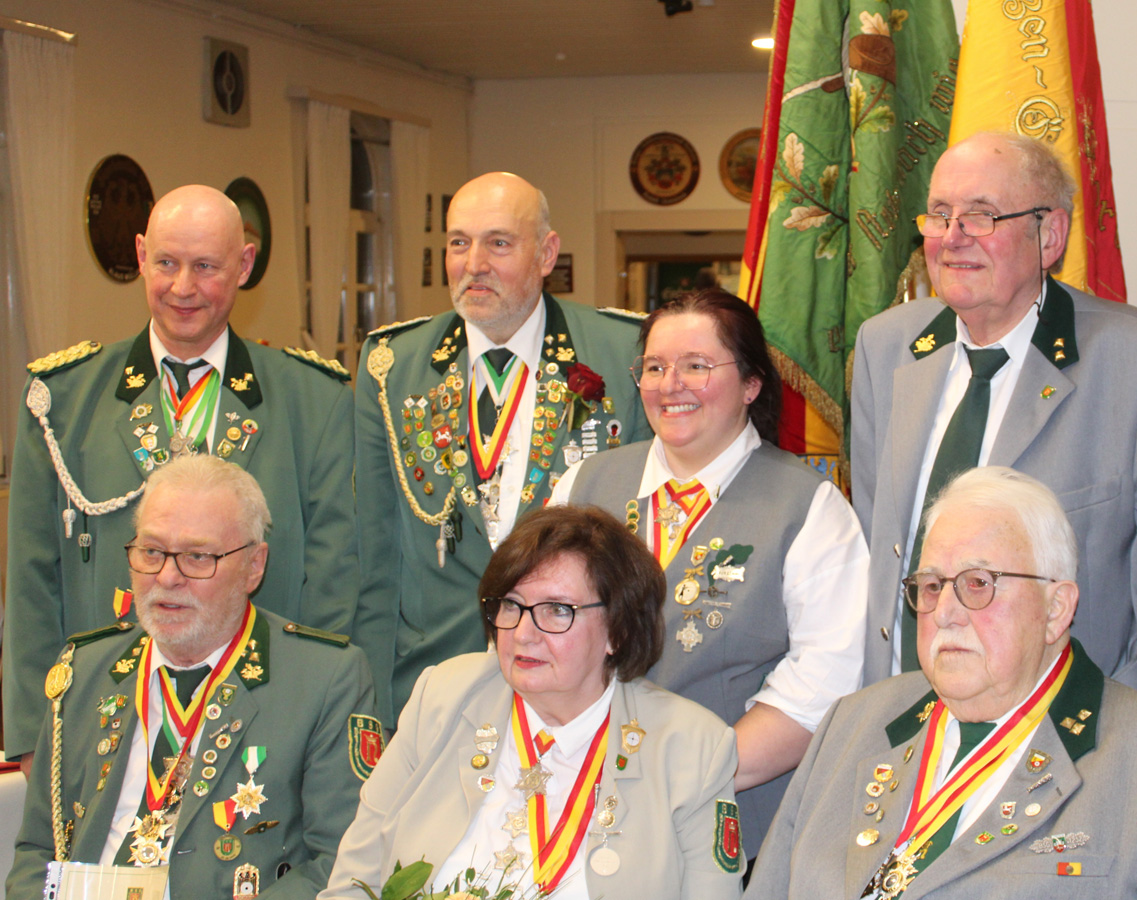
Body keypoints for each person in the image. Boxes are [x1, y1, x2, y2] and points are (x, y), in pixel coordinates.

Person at [747, 467, 1137, 900]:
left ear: (1056, 610)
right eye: (930, 586)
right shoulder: (851, 725)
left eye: (977, 584)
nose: (944, 612)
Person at [850, 131, 1137, 717]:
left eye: (982, 215)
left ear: (1049, 235)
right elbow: (880, 555)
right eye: (939, 215)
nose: (952, 238)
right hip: (909, 730)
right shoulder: (885, 348)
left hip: (1066, 745)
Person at [4, 184, 357, 773]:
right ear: (141, 255)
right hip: (102, 720)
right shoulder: (61, 401)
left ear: (244, 265)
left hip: (263, 722)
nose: (183, 287)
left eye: (206, 266)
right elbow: (31, 583)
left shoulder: (312, 401)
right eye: (166, 262)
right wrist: (34, 733)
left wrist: (319, 725)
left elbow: (333, 581)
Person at [551, 288, 869, 857]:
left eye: (696, 365)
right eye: (654, 366)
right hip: (573, 807)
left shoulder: (810, 508)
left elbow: (825, 683)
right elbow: (537, 631)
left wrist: (687, 777)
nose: (671, 383)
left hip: (727, 827)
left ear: (751, 384)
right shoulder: (582, 488)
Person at [321, 505, 744, 900]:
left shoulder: (693, 749)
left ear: (618, 629)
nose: (523, 632)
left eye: (557, 610)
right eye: (511, 605)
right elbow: (353, 882)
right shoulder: (443, 696)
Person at [6, 455, 378, 899]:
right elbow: (37, 852)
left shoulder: (325, 680)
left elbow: (342, 863)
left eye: (197, 557)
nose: (167, 576)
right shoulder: (82, 671)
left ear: (254, 567)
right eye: (151, 551)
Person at [353, 172, 651, 723]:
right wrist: (370, 704)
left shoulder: (624, 351)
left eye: (498, 242)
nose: (474, 264)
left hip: (579, 685)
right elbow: (373, 558)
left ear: (546, 253)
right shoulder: (390, 366)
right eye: (458, 242)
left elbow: (642, 543)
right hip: (432, 685)